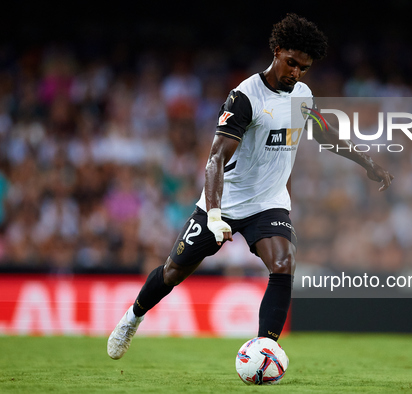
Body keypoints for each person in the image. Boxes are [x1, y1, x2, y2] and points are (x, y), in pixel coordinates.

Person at [107, 13, 393, 360]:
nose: (296, 73)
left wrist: (368, 163)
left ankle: (265, 351)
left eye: (303, 67)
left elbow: (323, 132)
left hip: (268, 203)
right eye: (291, 63)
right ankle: (132, 318)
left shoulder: (302, 94)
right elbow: (215, 159)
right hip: (224, 203)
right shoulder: (245, 97)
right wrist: (213, 215)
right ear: (277, 51)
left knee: (284, 263)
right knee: (173, 272)